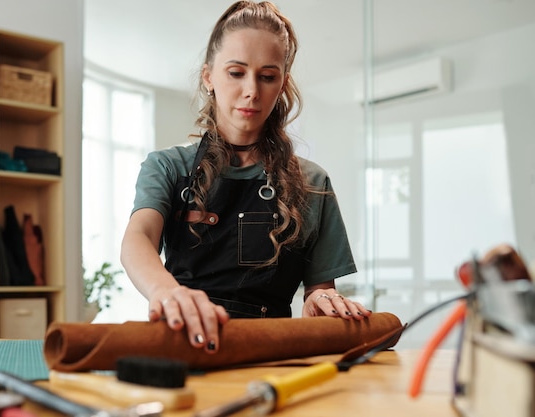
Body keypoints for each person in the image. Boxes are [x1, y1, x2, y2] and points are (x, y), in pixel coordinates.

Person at [120, 0, 371, 355]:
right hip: (185, 347)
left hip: (272, 354)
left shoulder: (313, 182)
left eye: (268, 76)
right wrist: (166, 290)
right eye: (236, 72)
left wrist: (320, 301)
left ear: (283, 83)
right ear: (209, 77)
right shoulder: (167, 167)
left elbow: (318, 291)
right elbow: (138, 239)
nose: (251, 90)